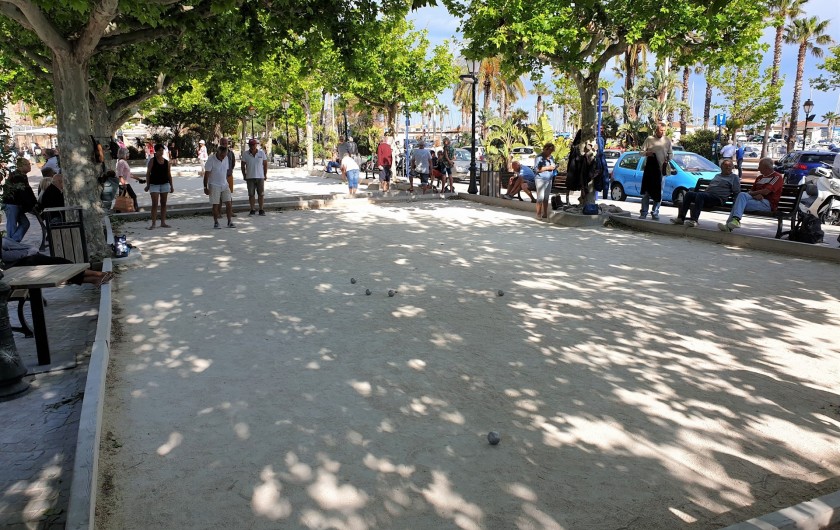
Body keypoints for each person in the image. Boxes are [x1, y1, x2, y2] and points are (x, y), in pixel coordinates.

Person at [2, 238, 114, 287]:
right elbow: (5, 256)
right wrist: (28, 252)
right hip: (23, 264)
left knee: (60, 264)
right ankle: (97, 275)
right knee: (60, 265)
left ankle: (94, 279)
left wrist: (29, 250)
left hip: (28, 258)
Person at [718, 157, 783, 232]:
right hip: (756, 201)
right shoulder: (759, 178)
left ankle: (729, 225)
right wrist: (755, 195)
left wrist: (754, 193)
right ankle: (735, 221)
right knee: (741, 196)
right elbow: (751, 192)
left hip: (767, 204)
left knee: (738, 203)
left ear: (766, 168)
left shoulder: (776, 176)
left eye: (760, 166)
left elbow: (766, 191)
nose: (758, 168)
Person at [670, 159, 740, 227]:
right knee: (689, 194)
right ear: (721, 167)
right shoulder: (717, 175)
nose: (728, 167)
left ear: (732, 167)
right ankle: (681, 218)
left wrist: (735, 205)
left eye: (730, 166)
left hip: (718, 198)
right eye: (726, 166)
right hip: (708, 196)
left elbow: (736, 192)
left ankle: (694, 220)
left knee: (701, 195)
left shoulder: (734, 177)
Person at [639, 120, 673, 220]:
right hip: (649, 170)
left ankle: (655, 212)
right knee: (646, 192)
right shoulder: (649, 139)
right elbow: (641, 152)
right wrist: (647, 153)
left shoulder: (667, 140)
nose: (662, 132)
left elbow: (671, 154)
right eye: (660, 130)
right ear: (656, 130)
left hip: (661, 170)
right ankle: (644, 212)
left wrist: (668, 158)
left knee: (659, 192)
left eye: (663, 130)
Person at [3, 158, 37, 242]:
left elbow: (28, 192)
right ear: (20, 166)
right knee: (12, 226)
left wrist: (34, 203)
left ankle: (13, 243)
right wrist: (30, 206)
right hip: (11, 204)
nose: (30, 166)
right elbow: (24, 194)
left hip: (17, 204)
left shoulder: (22, 176)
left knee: (25, 223)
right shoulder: (17, 176)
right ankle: (10, 245)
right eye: (27, 164)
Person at [204, 142, 235, 229]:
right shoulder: (211, 160)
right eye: (222, 155)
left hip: (224, 184)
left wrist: (226, 181)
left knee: (229, 203)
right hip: (214, 184)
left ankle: (229, 221)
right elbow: (206, 175)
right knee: (215, 204)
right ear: (218, 152)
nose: (223, 157)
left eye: (225, 155)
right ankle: (216, 222)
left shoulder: (226, 158)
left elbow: (225, 171)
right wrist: (205, 187)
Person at [144, 143, 174, 230]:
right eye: (159, 150)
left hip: (165, 183)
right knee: (155, 204)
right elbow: (148, 173)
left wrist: (171, 186)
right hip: (154, 184)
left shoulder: (166, 162)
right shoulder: (152, 161)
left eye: (162, 150)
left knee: (164, 203)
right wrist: (148, 185)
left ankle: (163, 222)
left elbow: (169, 174)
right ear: (155, 151)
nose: (161, 152)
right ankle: (153, 223)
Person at [241, 138, 268, 216]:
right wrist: (244, 175)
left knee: (261, 194)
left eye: (254, 144)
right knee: (251, 194)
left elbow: (265, 164)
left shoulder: (261, 153)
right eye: (251, 145)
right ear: (249, 145)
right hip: (250, 177)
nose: (252, 146)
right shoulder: (245, 154)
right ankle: (252, 209)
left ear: (256, 145)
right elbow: (243, 165)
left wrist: (265, 174)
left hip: (260, 176)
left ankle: (261, 209)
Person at [533, 143, 556, 220]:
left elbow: (553, 166)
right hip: (540, 179)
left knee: (546, 198)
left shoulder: (551, 157)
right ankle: (538, 214)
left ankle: (545, 213)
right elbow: (537, 169)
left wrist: (553, 167)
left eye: (551, 151)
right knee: (540, 197)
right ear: (545, 149)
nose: (550, 153)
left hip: (549, 179)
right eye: (549, 151)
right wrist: (548, 167)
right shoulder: (539, 157)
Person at [116, 147, 141, 211]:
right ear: (123, 154)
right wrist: (123, 184)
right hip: (123, 183)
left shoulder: (124, 162)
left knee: (122, 198)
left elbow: (129, 174)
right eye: (127, 153)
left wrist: (138, 179)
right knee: (133, 196)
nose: (128, 154)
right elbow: (120, 174)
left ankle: (118, 211)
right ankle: (136, 210)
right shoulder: (121, 162)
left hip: (125, 183)